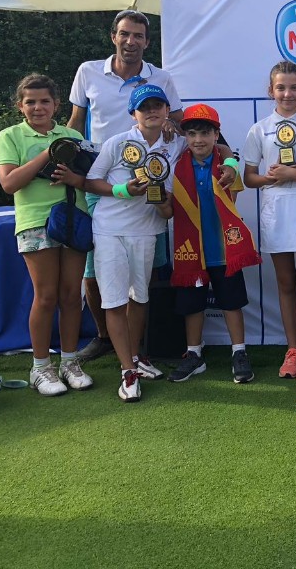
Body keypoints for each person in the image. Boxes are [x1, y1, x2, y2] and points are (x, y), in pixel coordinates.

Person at [68, 10, 183, 363]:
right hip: (101, 182)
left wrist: (171, 132)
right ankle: (105, 336)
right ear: (113, 36)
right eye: (124, 34)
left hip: (149, 186)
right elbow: (74, 125)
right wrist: (68, 169)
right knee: (92, 269)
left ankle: (141, 349)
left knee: (149, 268)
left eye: (138, 36)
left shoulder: (161, 77)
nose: (130, 41)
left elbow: (179, 124)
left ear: (147, 42)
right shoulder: (88, 71)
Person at [84, 84, 186, 402]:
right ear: (133, 114)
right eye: (145, 107)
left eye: (158, 105)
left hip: (148, 230)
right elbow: (91, 181)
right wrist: (123, 190)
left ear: (168, 111)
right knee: (114, 300)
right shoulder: (117, 143)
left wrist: (232, 165)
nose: (152, 111)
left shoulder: (177, 142)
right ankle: (127, 370)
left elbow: (219, 148)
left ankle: (137, 360)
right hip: (110, 229)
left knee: (139, 298)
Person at [0, 74, 94, 396]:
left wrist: (72, 172)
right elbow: (9, 183)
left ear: (56, 104)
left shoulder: (73, 134)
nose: (38, 107)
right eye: (31, 102)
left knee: (70, 296)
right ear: (20, 106)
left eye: (44, 101)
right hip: (36, 222)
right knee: (47, 296)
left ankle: (69, 362)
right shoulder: (10, 136)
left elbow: (87, 174)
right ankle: (40, 367)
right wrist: (49, 154)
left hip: (74, 220)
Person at [154, 104, 261, 385]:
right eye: (192, 134)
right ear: (184, 136)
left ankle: (239, 352)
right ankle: (193, 354)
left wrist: (230, 165)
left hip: (224, 249)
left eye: (205, 133)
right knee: (192, 306)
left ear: (216, 135)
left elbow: (232, 200)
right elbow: (167, 213)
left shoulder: (226, 167)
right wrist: (158, 203)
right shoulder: (176, 167)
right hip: (190, 252)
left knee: (232, 302)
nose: (198, 140)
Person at [242, 61, 296, 381]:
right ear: (271, 91)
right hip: (276, 210)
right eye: (281, 87)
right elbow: (249, 178)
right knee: (285, 283)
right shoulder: (259, 129)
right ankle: (291, 349)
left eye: (294, 87)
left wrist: (294, 173)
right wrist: (270, 178)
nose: (287, 93)